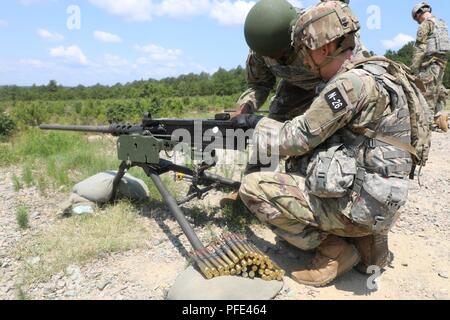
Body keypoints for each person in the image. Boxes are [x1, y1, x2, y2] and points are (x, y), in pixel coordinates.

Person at [238, 1, 430, 286]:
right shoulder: (380, 70)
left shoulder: (346, 86)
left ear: (325, 48)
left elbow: (297, 138)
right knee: (323, 154)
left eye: (306, 51)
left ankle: (334, 249)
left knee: (254, 188)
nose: (303, 59)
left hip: (361, 205)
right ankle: (367, 244)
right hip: (385, 199)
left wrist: (254, 126)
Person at [221, 0, 369, 206]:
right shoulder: (260, 50)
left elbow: (354, 69)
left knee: (331, 136)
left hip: (333, 82)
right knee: (270, 130)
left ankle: (342, 200)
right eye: (272, 56)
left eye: (283, 53)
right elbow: (259, 85)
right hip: (295, 87)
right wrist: (246, 108)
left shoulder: (318, 31)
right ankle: (251, 192)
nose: (278, 59)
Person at [411, 2, 450, 132]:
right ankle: (439, 116)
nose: (417, 21)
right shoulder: (441, 23)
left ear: (418, 14)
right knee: (438, 89)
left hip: (430, 63)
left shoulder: (426, 24)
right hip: (442, 62)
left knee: (426, 92)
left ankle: (427, 123)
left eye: (416, 19)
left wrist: (414, 68)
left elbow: (420, 48)